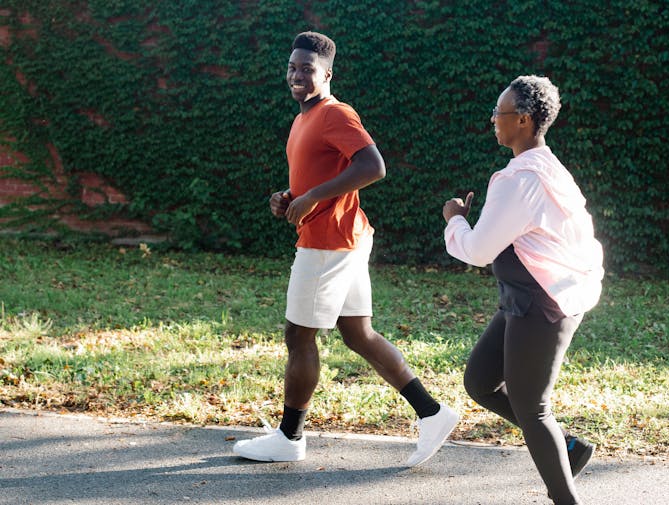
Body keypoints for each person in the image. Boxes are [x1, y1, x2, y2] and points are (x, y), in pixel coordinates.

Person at [233, 31, 458, 466]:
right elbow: (318, 175)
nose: (297, 76)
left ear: (328, 74)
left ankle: (289, 437)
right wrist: (289, 196)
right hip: (346, 238)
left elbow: (373, 166)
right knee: (358, 333)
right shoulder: (305, 119)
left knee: (299, 336)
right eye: (292, 68)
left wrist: (314, 196)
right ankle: (432, 413)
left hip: (328, 243)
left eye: (308, 70)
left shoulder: (335, 113)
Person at [442, 75, 604, 505]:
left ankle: (566, 498)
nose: (494, 119)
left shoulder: (519, 179)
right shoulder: (546, 166)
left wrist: (455, 218)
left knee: (533, 408)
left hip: (544, 302)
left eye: (502, 112)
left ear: (525, 120)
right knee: (479, 380)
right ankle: (568, 448)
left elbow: (476, 249)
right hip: (530, 296)